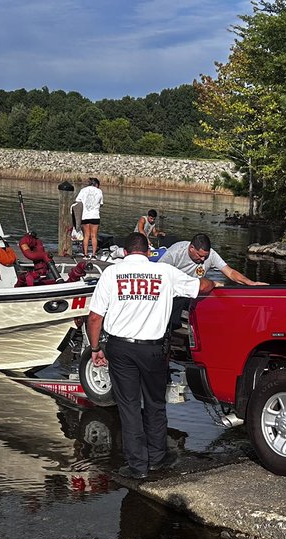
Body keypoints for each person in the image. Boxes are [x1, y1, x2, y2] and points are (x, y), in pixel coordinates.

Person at [86, 232, 214, 479]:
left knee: (129, 407)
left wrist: (94, 349)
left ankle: (138, 467)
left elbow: (95, 317)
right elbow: (201, 287)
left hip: (121, 349)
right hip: (154, 349)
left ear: (124, 253)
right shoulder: (164, 272)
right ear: (147, 253)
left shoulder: (111, 273)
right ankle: (157, 458)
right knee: (155, 404)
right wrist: (214, 284)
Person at [161, 233, 265, 286]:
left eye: (205, 257)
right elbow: (157, 274)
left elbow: (230, 272)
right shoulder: (174, 253)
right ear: (191, 248)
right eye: (199, 255)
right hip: (174, 287)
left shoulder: (211, 254)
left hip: (195, 289)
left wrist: (250, 283)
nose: (202, 259)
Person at [74, 177, 103, 256]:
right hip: (95, 216)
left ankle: (85, 254)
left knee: (86, 235)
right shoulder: (99, 191)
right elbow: (101, 204)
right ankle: (93, 254)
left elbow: (77, 200)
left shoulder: (83, 190)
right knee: (94, 236)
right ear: (96, 184)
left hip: (85, 216)